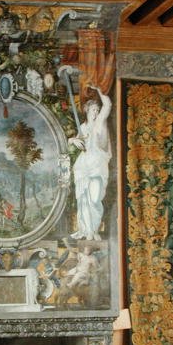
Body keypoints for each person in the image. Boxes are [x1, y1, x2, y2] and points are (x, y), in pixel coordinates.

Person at [68, 85, 111, 241]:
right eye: (93, 110)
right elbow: (75, 142)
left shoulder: (100, 123)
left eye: (97, 110)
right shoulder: (83, 127)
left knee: (94, 198)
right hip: (83, 166)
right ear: (86, 110)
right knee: (83, 200)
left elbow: (108, 105)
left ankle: (94, 228)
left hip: (97, 166)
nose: (96, 112)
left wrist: (100, 89)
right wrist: (73, 140)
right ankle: (86, 230)